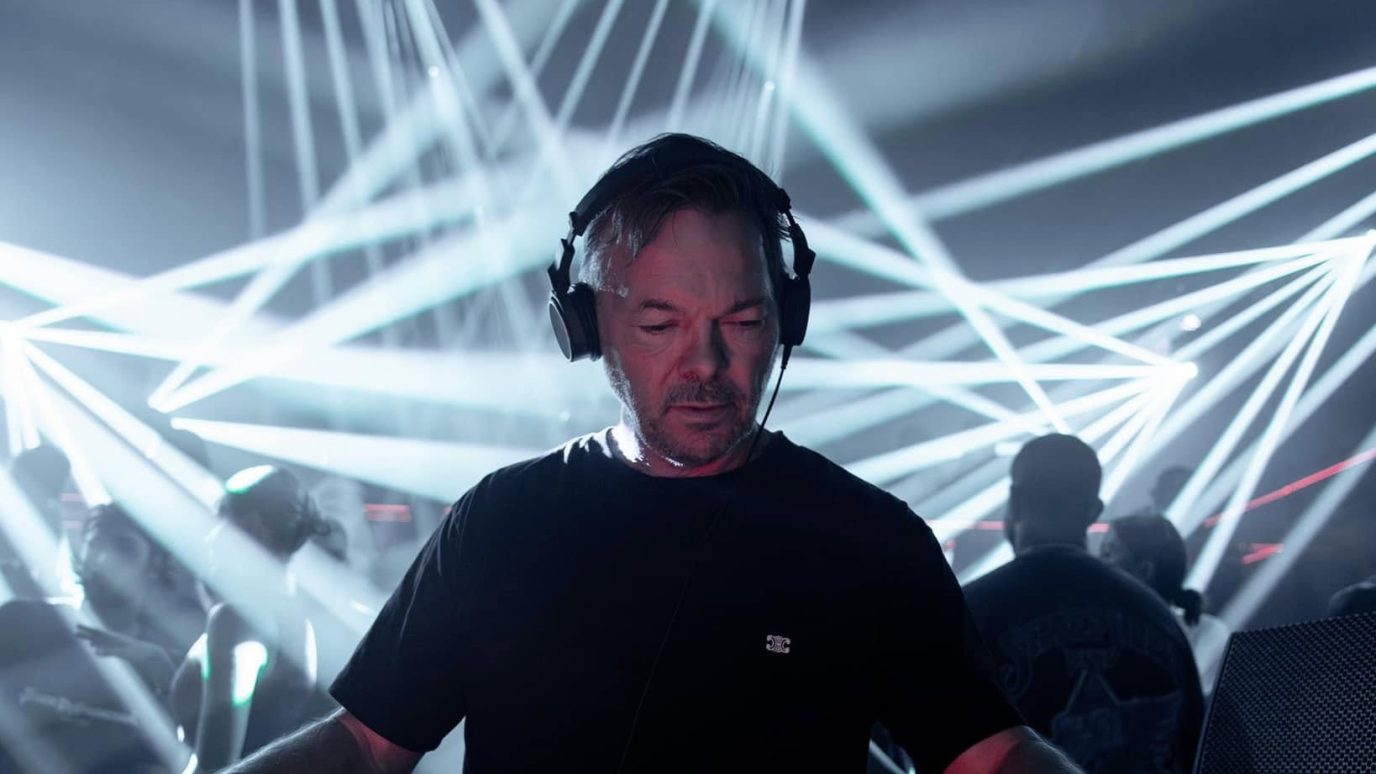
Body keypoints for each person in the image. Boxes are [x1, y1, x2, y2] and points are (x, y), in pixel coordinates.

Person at [226, 134, 1080, 772]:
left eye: (742, 321)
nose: (705, 364)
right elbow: (364, 745)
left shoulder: (869, 539)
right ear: (587, 326)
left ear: (786, 321)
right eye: (660, 325)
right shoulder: (502, 522)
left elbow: (991, 754)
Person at [962, 434, 1205, 773]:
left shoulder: (967, 613)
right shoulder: (1158, 618)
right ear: (1094, 511)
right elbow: (1200, 750)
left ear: (1015, 500)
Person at [169, 465, 329, 772]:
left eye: (220, 520)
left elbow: (216, 764)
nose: (209, 538)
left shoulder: (236, 621)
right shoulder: (302, 622)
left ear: (253, 527)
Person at [1100, 513, 1231, 697]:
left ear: (1145, 570)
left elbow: (1202, 705)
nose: (1097, 563)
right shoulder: (1097, 633)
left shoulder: (1207, 634)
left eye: (1108, 553)